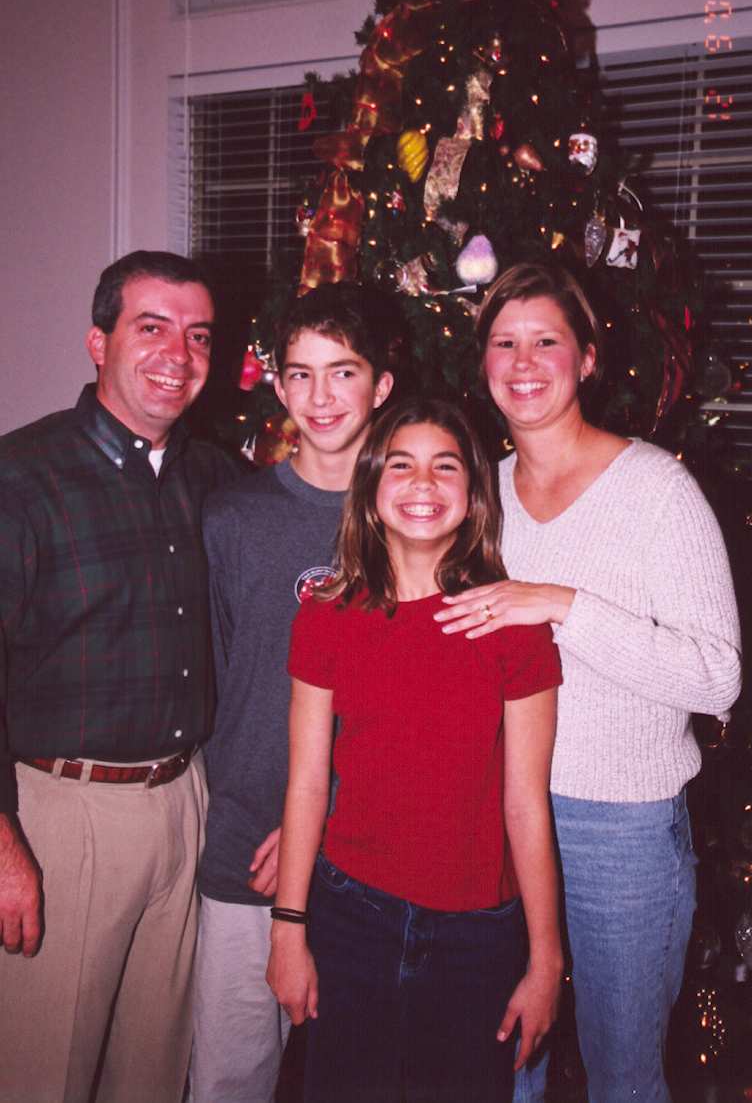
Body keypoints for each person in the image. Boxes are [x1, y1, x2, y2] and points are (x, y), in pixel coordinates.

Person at [434, 261, 742, 1103]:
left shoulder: (655, 489)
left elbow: (716, 677)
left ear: (588, 357)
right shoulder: (477, 493)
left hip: (622, 828)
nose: (523, 362)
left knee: (622, 1078)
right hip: (497, 813)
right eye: (503, 342)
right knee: (503, 1063)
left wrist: (561, 604)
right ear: (481, 360)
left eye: (546, 341)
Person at [266, 397, 564, 1103]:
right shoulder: (326, 616)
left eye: (445, 466)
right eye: (400, 465)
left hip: (477, 936)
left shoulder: (513, 629)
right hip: (351, 919)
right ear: (371, 487)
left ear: (474, 494)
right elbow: (306, 783)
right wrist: (287, 929)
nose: (422, 483)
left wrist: (545, 959)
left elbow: (526, 803)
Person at [0, 250, 241, 1103]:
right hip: (60, 818)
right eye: (152, 327)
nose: (178, 353)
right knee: (44, 1074)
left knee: (152, 1073)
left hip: (184, 804)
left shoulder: (213, 478)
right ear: (98, 342)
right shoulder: (20, 477)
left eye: (198, 335)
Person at [190, 282, 394, 1102]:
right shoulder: (232, 516)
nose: (321, 395)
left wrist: (325, 818)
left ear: (381, 385)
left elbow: (419, 705)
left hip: (366, 847)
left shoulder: (411, 519)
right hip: (243, 847)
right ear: (276, 384)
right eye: (301, 374)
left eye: (343, 372)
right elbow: (217, 679)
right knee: (230, 1075)